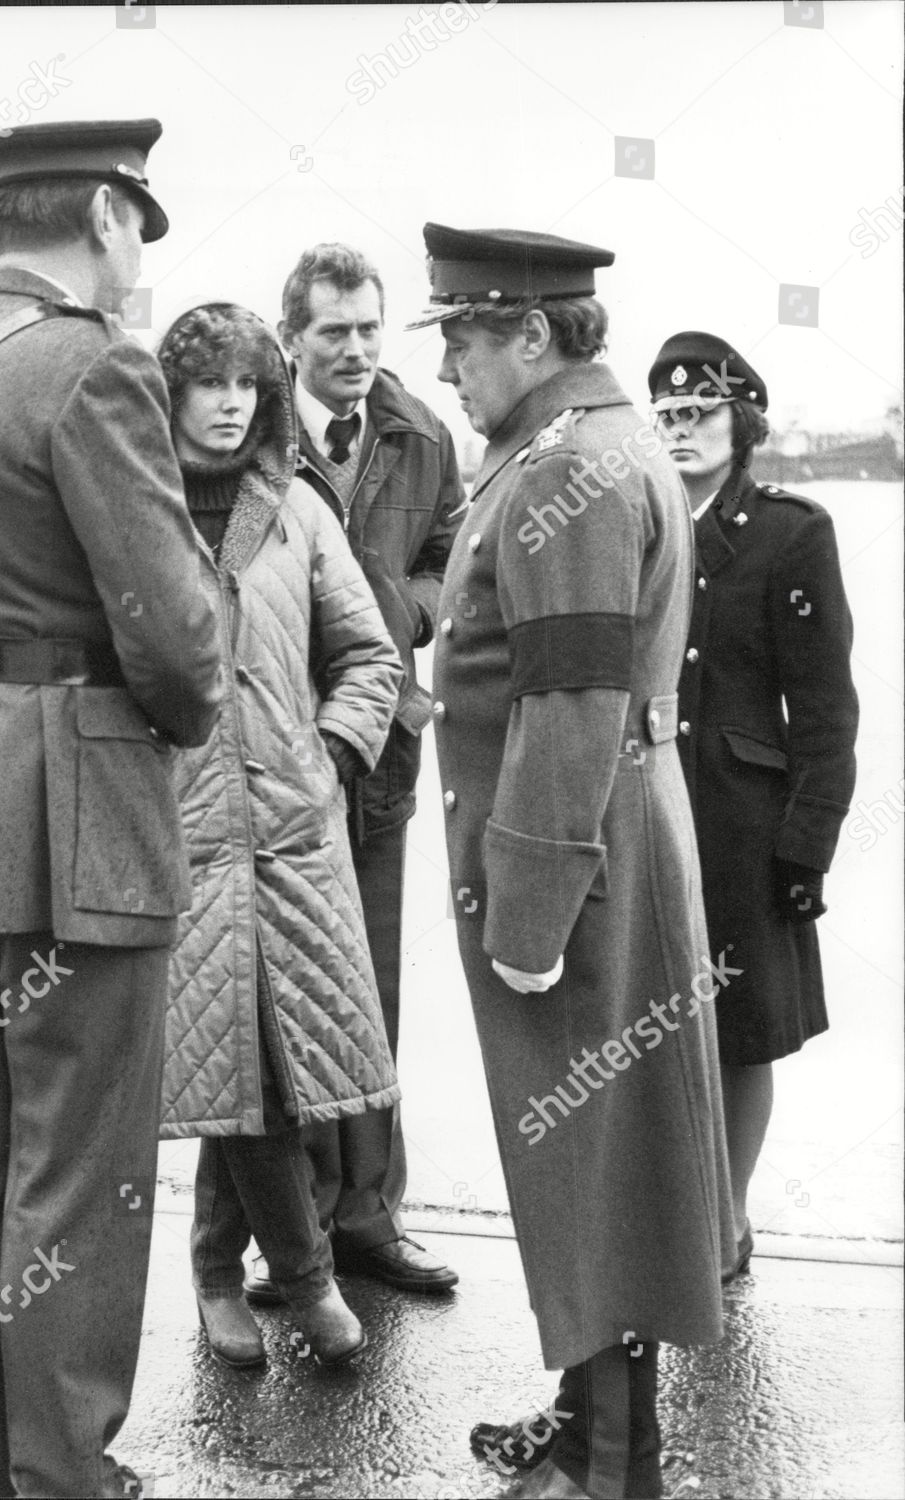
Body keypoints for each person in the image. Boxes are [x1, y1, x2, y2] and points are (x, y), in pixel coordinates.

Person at [0, 121, 222, 1499]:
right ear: (113, 218)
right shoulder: (94, 366)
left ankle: (4, 1457)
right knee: (85, 1157)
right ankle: (66, 1475)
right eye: (140, 230)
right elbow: (179, 640)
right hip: (75, 807)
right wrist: (177, 714)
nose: (137, 262)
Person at [410, 226, 737, 1499]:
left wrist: (530, 911)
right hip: (611, 843)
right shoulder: (581, 449)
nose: (449, 368)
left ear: (532, 333)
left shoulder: (575, 473)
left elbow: (573, 703)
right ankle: (585, 1419)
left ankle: (614, 1463)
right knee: (597, 1159)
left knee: (599, 1165)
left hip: (576, 858)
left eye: (462, 338)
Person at [155, 301, 403, 1369]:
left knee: (261, 1066)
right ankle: (300, 1282)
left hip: (296, 839)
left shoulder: (298, 509)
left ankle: (223, 1273)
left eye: (247, 385)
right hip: (185, 842)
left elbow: (372, 658)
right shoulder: (134, 509)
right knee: (238, 1068)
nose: (228, 405)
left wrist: (331, 756)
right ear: (169, 395)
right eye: (208, 384)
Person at [240, 243, 463, 1306]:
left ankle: (371, 1219)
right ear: (293, 341)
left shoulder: (421, 434)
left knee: (370, 983)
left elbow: (452, 556)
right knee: (278, 998)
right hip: (278, 761)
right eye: (334, 332)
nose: (358, 350)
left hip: (384, 748)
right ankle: (294, 1239)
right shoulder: (252, 438)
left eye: (371, 329)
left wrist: (402, 616)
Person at [648, 332, 858, 1280]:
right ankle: (661, 1214)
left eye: (700, 413)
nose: (681, 429)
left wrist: (806, 843)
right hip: (646, 811)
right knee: (641, 1024)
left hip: (742, 823)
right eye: (666, 415)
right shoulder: (635, 521)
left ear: (742, 423)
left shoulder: (789, 531)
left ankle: (722, 1221)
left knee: (739, 1031)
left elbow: (823, 706)